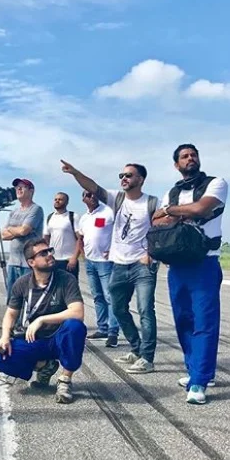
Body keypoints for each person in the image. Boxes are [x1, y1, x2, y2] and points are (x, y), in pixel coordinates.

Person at [61, 159, 159, 374]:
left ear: (140, 179)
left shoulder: (152, 203)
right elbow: (92, 186)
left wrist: (150, 254)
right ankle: (136, 348)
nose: (124, 178)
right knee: (118, 308)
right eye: (121, 176)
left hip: (142, 265)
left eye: (129, 175)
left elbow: (160, 231)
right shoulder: (118, 199)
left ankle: (148, 358)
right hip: (119, 264)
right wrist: (75, 172)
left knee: (145, 310)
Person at [152, 144, 227, 404]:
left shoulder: (215, 183)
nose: (190, 158)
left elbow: (201, 210)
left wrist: (172, 212)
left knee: (205, 322)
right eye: (184, 156)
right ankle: (195, 370)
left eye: (193, 154)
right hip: (177, 264)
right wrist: (174, 215)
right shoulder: (171, 191)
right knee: (183, 320)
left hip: (204, 262)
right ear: (176, 165)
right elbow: (156, 223)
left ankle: (199, 382)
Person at [0, 238, 86, 404]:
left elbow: (77, 312)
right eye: (43, 253)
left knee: (75, 326)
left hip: (60, 338)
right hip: (36, 340)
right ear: (31, 262)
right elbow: (11, 314)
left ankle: (65, 380)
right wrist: (5, 337)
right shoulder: (22, 283)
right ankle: (44, 366)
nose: (50, 254)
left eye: (50, 251)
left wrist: (42, 319)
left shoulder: (66, 279)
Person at [77, 190, 119, 347]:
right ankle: (103, 328)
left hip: (105, 262)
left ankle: (113, 332)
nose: (92, 197)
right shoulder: (84, 218)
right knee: (97, 296)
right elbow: (80, 238)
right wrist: (83, 254)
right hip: (90, 262)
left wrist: (114, 250)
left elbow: (119, 231)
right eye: (88, 195)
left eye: (94, 194)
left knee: (110, 297)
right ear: (83, 199)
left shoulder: (108, 211)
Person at [1, 178, 44, 300]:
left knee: (28, 299)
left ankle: (26, 320)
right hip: (13, 263)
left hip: (28, 264)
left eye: (22, 187)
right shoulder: (13, 212)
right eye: (17, 187)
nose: (18, 189)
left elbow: (24, 230)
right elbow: (3, 235)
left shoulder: (36, 209)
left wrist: (12, 229)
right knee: (12, 299)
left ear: (31, 191)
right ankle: (13, 320)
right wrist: (18, 231)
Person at [43, 192, 81, 279]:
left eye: (60, 199)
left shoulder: (73, 216)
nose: (57, 201)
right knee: (54, 288)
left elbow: (80, 239)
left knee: (71, 288)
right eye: (55, 199)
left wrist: (74, 258)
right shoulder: (50, 217)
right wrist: (46, 256)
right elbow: (46, 239)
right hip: (53, 260)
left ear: (66, 202)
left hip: (68, 261)